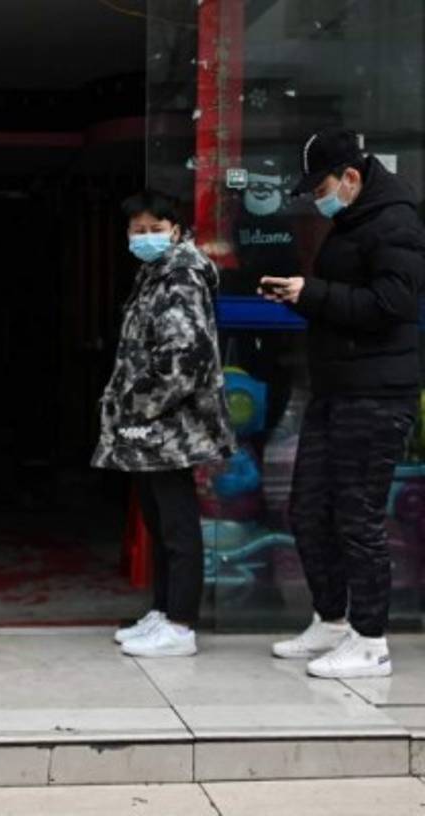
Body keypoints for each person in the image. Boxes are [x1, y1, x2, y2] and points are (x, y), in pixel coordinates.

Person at [260, 127, 425, 679]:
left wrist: (316, 293)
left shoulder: (395, 220)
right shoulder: (351, 221)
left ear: (351, 177)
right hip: (337, 389)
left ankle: (371, 639)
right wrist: (302, 296)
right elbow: (343, 304)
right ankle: (331, 621)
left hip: (377, 394)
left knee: (358, 516)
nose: (317, 198)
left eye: (321, 187)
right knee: (307, 508)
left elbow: (393, 303)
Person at [95, 191, 235, 658]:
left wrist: (137, 405)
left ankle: (180, 624)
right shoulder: (155, 275)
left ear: (176, 231)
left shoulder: (181, 277)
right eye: (138, 230)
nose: (147, 237)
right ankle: (162, 610)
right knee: (157, 519)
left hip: (171, 424)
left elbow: (183, 358)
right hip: (155, 425)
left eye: (157, 228)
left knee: (177, 524)